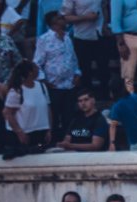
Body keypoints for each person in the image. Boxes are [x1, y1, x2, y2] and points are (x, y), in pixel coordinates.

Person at [34, 10, 80, 138]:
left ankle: (69, 141)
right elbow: (37, 62)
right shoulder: (43, 40)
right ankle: (53, 141)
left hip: (69, 85)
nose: (64, 20)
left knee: (69, 116)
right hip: (54, 86)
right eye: (61, 18)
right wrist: (44, 80)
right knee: (54, 115)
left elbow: (73, 58)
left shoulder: (67, 38)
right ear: (54, 23)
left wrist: (77, 73)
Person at [62, 0, 114, 99]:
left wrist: (106, 24)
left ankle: (105, 95)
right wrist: (86, 17)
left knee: (103, 67)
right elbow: (65, 17)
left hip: (101, 34)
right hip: (82, 36)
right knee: (85, 69)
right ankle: (87, 97)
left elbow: (104, 6)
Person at [2, 59, 51, 157]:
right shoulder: (17, 90)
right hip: (23, 135)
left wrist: (49, 129)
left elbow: (48, 109)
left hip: (40, 132)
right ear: (30, 72)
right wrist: (20, 133)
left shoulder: (42, 86)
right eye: (36, 68)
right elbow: (8, 113)